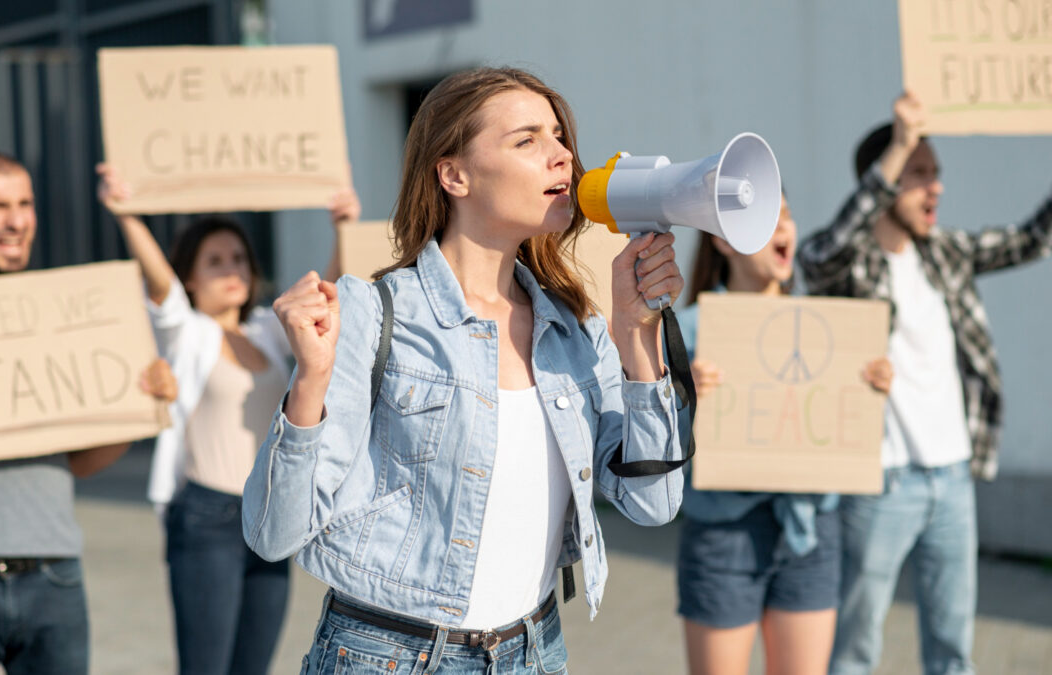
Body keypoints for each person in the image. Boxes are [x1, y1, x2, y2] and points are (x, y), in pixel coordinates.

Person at [242, 66, 687, 674]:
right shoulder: (373, 313)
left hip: (532, 651)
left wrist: (638, 337)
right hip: (388, 656)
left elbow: (653, 503)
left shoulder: (578, 331)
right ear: (454, 175)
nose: (562, 156)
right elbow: (273, 533)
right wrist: (310, 381)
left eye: (559, 136)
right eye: (526, 140)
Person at [797, 92, 1052, 675]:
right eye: (917, 174)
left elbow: (1033, 238)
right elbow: (818, 254)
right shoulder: (851, 263)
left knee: (953, 650)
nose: (934, 187)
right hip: (880, 483)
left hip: (955, 478)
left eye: (935, 174)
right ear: (881, 182)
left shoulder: (947, 254)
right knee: (855, 650)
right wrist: (900, 144)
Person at [96, 164, 359, 675]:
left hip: (268, 515)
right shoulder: (187, 333)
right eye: (214, 261)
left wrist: (343, 226)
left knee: (252, 666)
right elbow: (162, 289)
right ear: (190, 276)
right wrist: (125, 213)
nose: (232, 268)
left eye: (238, 257)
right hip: (206, 518)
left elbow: (328, 301)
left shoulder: (266, 329)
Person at [0, 149, 177, 675]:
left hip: (53, 578)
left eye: (25, 203)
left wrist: (138, 408)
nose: (16, 220)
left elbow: (79, 464)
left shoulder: (56, 317)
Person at [673, 194, 892, 675]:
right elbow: (656, 448)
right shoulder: (686, 331)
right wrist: (682, 402)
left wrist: (869, 388)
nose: (783, 229)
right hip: (724, 532)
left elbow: (846, 430)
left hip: (811, 531)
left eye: (788, 216)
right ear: (720, 241)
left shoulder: (832, 328)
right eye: (765, 220)